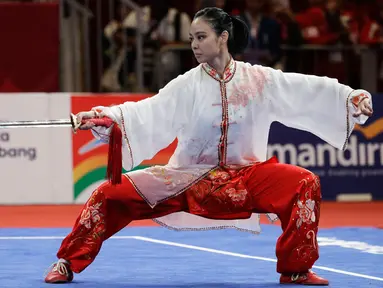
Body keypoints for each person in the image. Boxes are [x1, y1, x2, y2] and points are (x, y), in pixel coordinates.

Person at [44, 7, 373, 286]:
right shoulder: (186, 85)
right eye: (191, 39)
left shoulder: (260, 79)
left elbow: (307, 89)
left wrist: (350, 98)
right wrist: (105, 117)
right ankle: (67, 262)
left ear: (223, 37)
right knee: (109, 194)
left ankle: (296, 270)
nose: (194, 45)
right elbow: (147, 111)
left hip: (246, 177)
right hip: (188, 180)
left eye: (200, 37)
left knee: (304, 182)